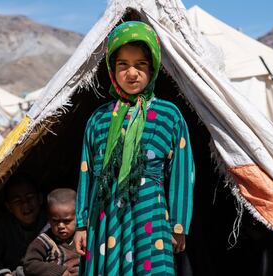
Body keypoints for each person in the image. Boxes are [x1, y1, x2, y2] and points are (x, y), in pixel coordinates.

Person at [74, 21, 195, 275]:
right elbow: (87, 172)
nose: (132, 73)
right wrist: (82, 224)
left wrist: (178, 225)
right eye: (123, 65)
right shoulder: (98, 119)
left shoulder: (168, 115)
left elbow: (182, 173)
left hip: (149, 216)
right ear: (111, 69)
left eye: (140, 65)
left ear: (152, 69)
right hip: (104, 221)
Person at [23, 188, 79, 276]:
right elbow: (29, 264)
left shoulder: (82, 237)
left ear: (78, 218)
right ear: (49, 219)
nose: (61, 226)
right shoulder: (44, 241)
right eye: (55, 221)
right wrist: (58, 271)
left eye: (67, 221)